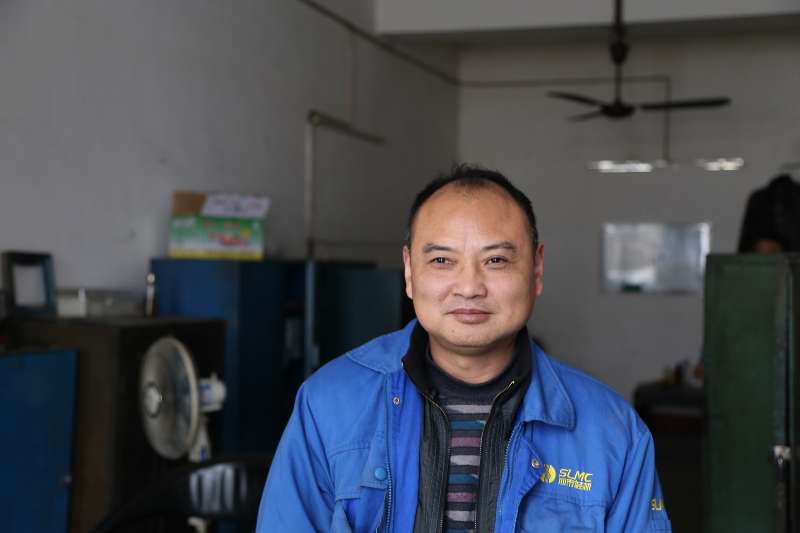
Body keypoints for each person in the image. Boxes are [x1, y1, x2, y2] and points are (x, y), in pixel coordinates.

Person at [256, 164, 671, 532]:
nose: (469, 287)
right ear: (409, 271)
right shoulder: (329, 405)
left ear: (536, 269)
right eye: (442, 261)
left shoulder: (612, 432)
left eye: (496, 260)